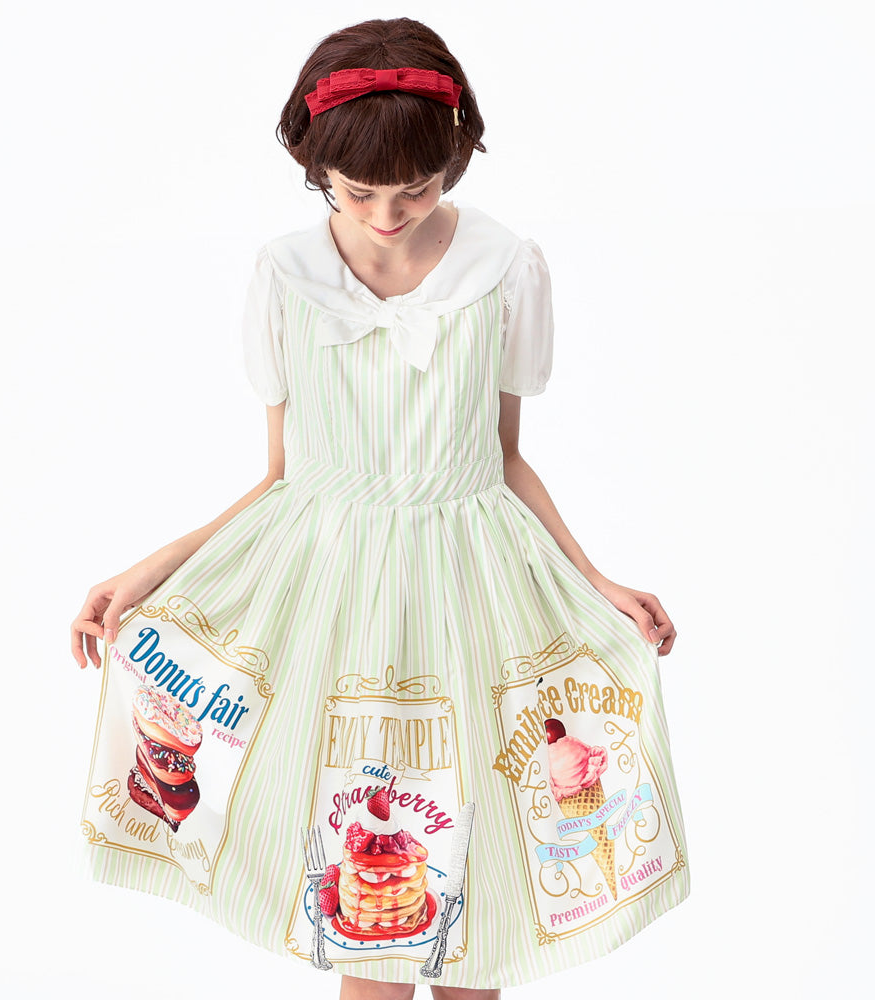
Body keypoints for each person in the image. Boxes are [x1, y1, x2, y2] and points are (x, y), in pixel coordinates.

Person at [72, 17, 688, 999]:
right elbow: (283, 476)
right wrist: (150, 570)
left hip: (473, 595)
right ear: (315, 166)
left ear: (455, 158)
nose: (389, 214)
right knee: (365, 927)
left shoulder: (504, 266)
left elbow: (502, 457)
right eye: (358, 193)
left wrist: (595, 579)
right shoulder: (285, 275)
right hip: (331, 600)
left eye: (418, 189)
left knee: (478, 925)